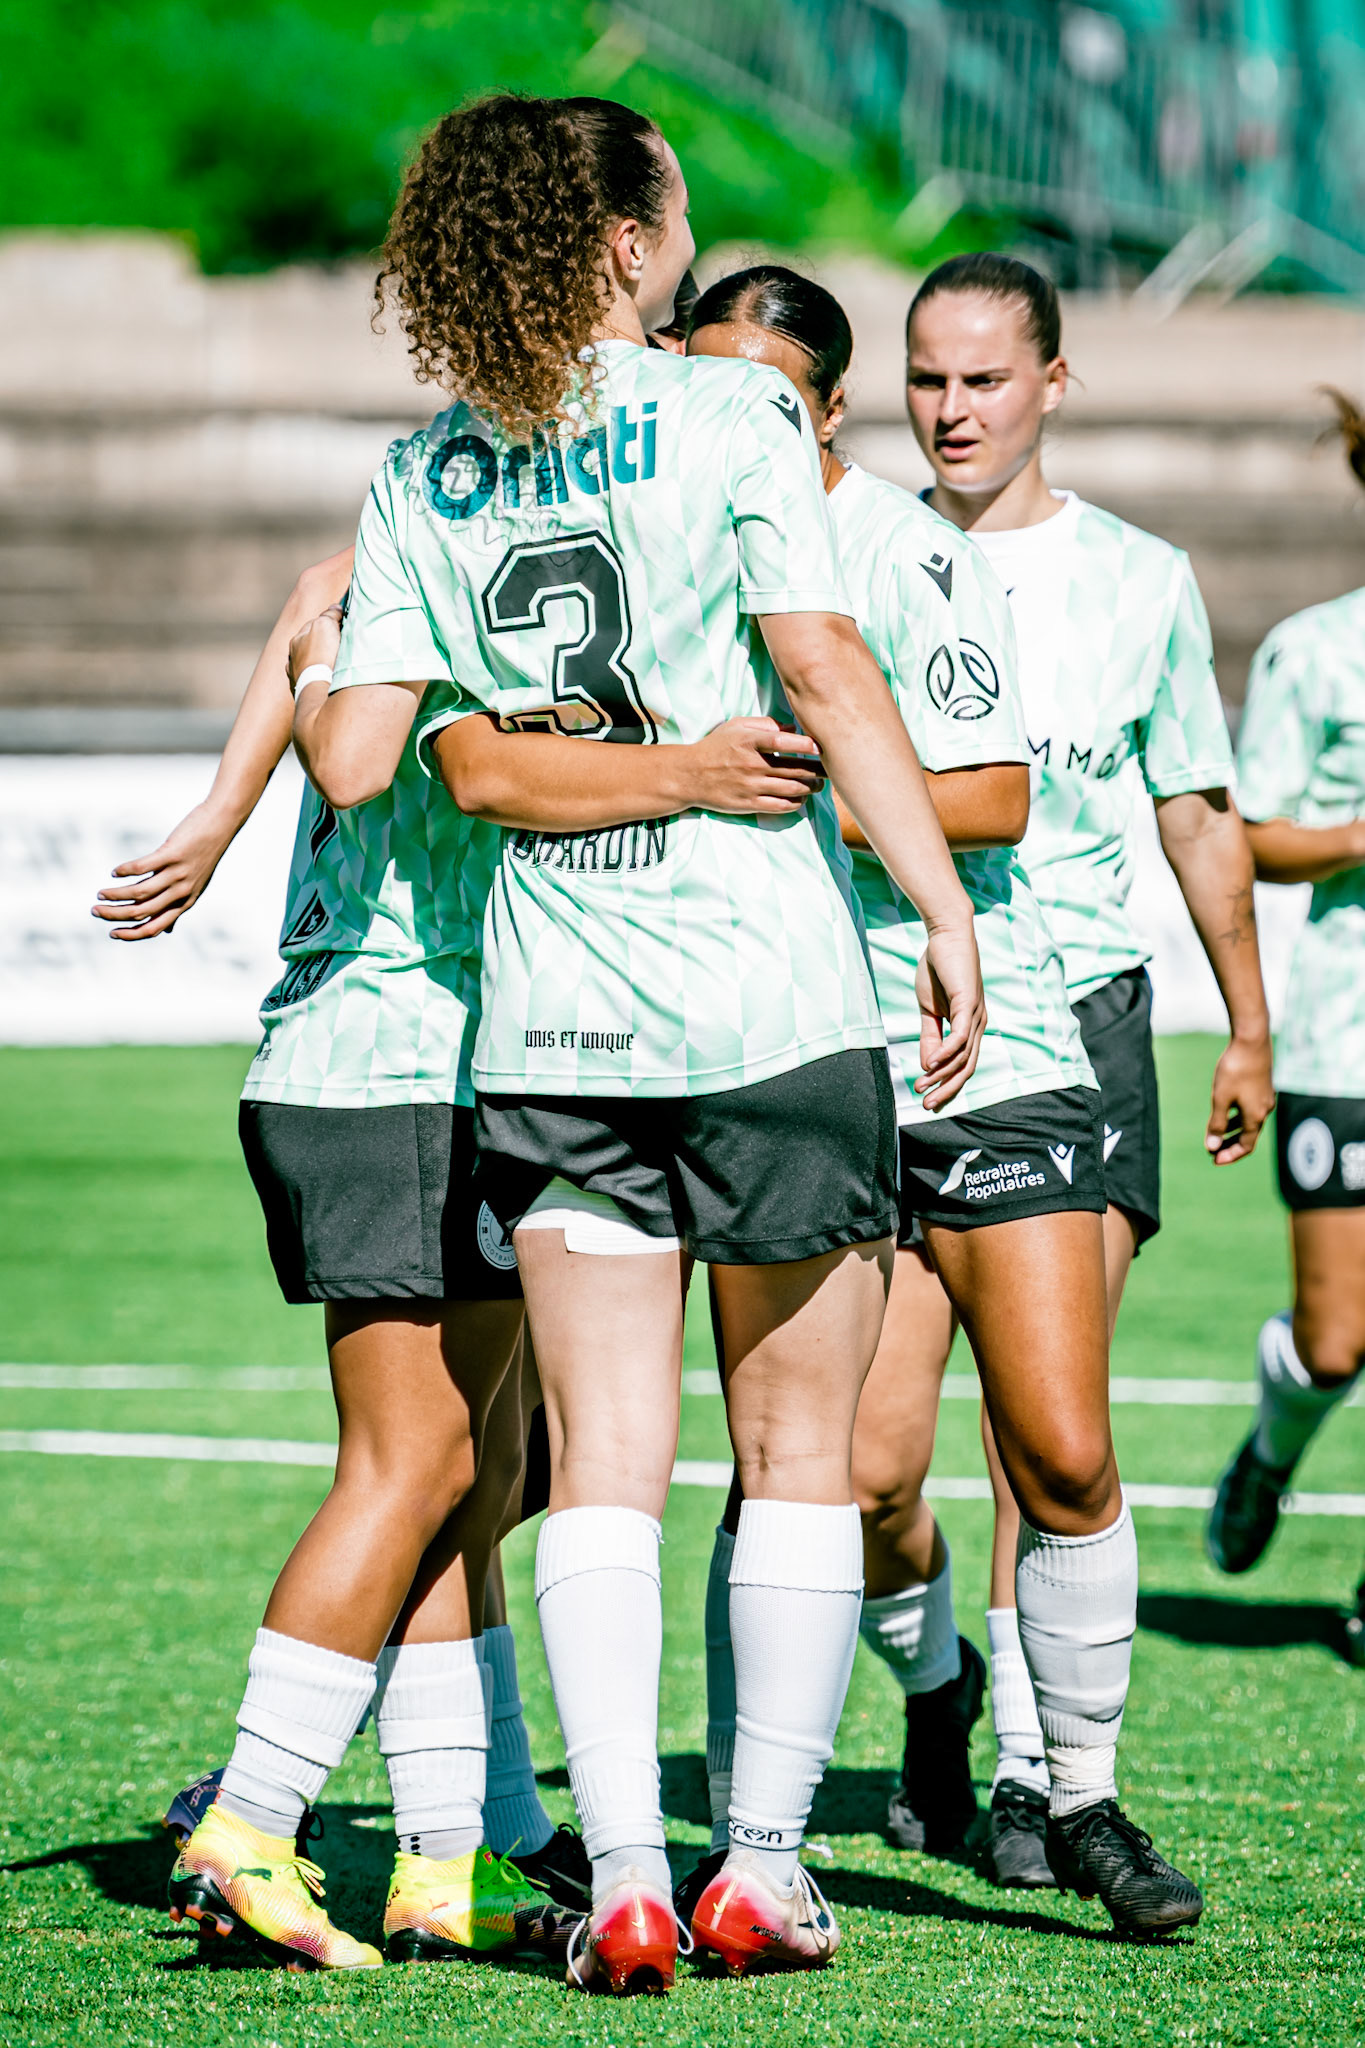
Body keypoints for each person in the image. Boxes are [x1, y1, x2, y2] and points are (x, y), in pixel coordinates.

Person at [293, 91, 985, 1992]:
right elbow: (828, 671)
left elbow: (434, 763)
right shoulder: (738, 409)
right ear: (621, 242)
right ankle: (756, 1861)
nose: (684, 231)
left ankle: (612, 1876)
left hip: (553, 1014)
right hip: (763, 996)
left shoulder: (424, 469)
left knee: (601, 1458)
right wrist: (935, 904)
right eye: (668, 209)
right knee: (799, 1450)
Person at [96, 534, 824, 1966]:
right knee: (416, 1463)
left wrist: (222, 806)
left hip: (385, 1070)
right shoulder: (451, 597)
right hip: (402, 1067)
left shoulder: (364, 579)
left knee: (474, 1476)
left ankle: (443, 1861)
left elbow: (311, 612)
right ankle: (251, 1820)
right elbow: (371, 751)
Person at [685, 265, 1204, 1936]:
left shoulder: (916, 554)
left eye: (763, 392)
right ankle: (923, 1694)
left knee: (1057, 1443)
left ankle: (1084, 1791)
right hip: (803, 1044)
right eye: (703, 383)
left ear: (821, 410)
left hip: (995, 1035)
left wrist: (781, 783)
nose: (728, 420)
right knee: (861, 1469)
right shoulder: (674, 536)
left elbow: (985, 791)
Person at [904, 252, 1274, 1848]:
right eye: (927, 378)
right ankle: (932, 1676)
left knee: (1036, 1412)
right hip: (884, 1011)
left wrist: (1247, 1017)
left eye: (984, 378)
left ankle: (1034, 1774)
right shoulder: (854, 549)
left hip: (1084, 1013)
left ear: (1055, 384)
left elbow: (1193, 805)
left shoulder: (1137, 575)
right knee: (862, 1472)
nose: (952, 410)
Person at [1207, 388, 1365, 1651]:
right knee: (1338, 1335)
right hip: (1344, 1034)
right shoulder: (1318, 650)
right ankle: (1272, 1441)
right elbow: (1250, 834)